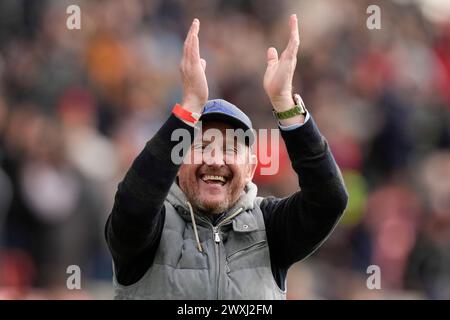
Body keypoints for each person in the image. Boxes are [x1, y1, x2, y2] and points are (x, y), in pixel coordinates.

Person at [105, 14, 348, 299]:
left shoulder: (271, 228)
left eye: (231, 149)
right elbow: (133, 205)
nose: (216, 160)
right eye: (202, 145)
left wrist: (285, 104)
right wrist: (190, 106)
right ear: (179, 157)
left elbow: (329, 201)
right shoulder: (151, 227)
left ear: (250, 168)